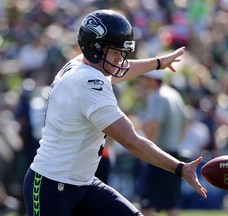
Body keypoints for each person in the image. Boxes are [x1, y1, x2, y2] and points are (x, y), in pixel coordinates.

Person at [22, 9, 207, 216]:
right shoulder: (88, 84)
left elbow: (120, 70)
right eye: (116, 52)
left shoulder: (83, 64)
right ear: (95, 47)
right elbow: (131, 141)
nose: (120, 59)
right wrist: (180, 168)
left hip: (84, 183)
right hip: (51, 185)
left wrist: (157, 63)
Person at [138, 70, 189, 216]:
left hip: (159, 155)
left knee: (147, 204)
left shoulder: (156, 96)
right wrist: (177, 141)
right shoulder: (175, 95)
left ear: (152, 80)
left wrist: (148, 150)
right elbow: (186, 122)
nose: (143, 81)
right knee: (171, 205)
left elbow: (154, 125)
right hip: (175, 154)